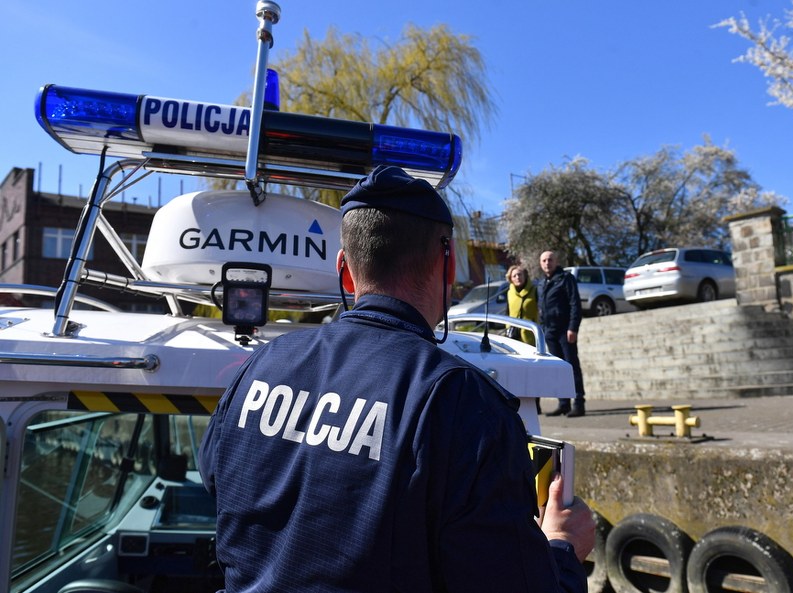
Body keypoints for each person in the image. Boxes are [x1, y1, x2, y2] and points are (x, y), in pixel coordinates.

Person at [198, 166, 595, 593]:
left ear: (345, 271)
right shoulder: (463, 404)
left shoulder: (262, 364)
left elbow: (215, 478)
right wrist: (563, 547)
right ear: (447, 267)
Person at [538, 250, 586, 417]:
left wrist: (573, 327)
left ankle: (579, 403)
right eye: (543, 260)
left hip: (565, 331)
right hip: (550, 332)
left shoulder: (566, 279)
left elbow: (575, 304)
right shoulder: (543, 282)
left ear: (556, 261)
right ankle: (563, 403)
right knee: (558, 369)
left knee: (571, 366)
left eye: (550, 259)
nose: (547, 263)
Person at [505, 264, 538, 346]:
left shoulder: (534, 290)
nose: (517, 277)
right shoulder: (509, 293)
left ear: (525, 276)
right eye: (514, 276)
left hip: (530, 333)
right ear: (510, 279)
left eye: (519, 274)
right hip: (513, 333)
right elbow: (507, 312)